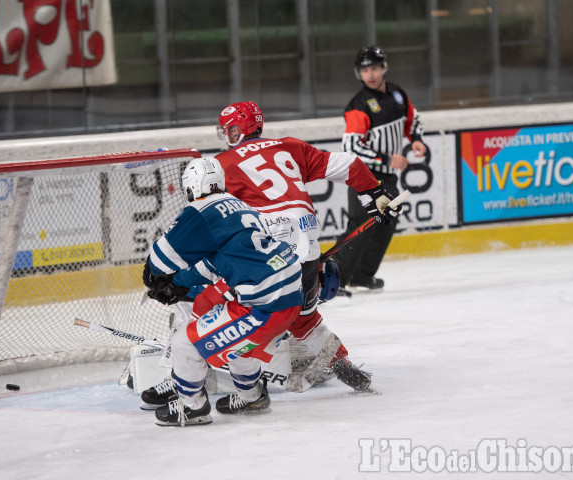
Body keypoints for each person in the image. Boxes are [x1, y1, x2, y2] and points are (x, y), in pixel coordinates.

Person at [212, 100, 399, 392]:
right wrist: (372, 192)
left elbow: (209, 217)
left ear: (242, 128)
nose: (228, 135)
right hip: (306, 241)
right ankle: (344, 367)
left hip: (270, 250)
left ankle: (231, 387)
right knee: (305, 319)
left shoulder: (222, 164)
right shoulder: (289, 146)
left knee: (238, 310)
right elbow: (349, 163)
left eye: (231, 129)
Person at [142, 156, 304, 426]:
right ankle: (253, 397)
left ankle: (192, 407)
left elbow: (159, 260)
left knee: (185, 342)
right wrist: (181, 282)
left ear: (191, 187)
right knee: (240, 348)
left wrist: (157, 280)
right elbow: (218, 262)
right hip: (289, 296)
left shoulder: (201, 211)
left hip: (266, 305)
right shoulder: (240, 205)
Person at [336, 45, 427, 292]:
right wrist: (387, 159)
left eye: (374, 68)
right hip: (363, 174)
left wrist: (416, 138)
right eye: (365, 70)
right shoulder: (359, 105)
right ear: (359, 73)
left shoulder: (397, 94)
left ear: (383, 68)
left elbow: (413, 118)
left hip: (386, 175)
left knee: (387, 221)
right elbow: (351, 146)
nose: (371, 74)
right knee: (360, 223)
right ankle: (335, 281)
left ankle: (362, 276)